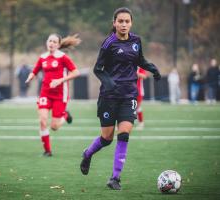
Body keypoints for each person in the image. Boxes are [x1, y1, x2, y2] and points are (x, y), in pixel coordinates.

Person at [79, 7, 161, 190]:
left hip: (129, 95)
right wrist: (109, 83)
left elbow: (139, 60)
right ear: (114, 23)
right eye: (120, 21)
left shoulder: (136, 40)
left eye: (127, 21)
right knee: (107, 138)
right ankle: (88, 153)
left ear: (131, 23)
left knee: (123, 134)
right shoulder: (109, 43)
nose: (124, 24)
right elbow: (97, 69)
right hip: (109, 97)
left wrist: (152, 68)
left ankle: (115, 178)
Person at [25, 33, 81, 157]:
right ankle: (47, 151)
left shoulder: (63, 57)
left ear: (58, 45)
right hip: (45, 92)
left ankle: (65, 115)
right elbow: (35, 70)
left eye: (55, 42)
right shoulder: (43, 57)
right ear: (46, 42)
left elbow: (76, 72)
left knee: (54, 127)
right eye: (50, 41)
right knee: (43, 121)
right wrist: (31, 76)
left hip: (60, 94)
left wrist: (61, 80)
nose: (52, 43)